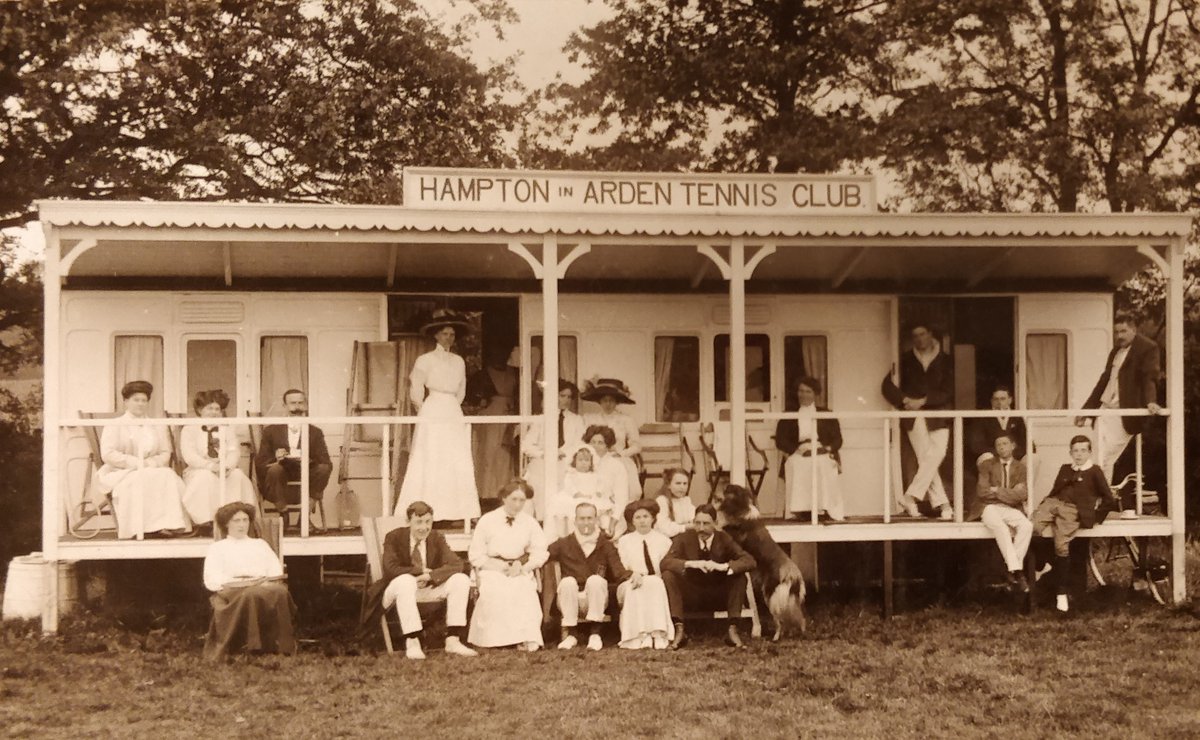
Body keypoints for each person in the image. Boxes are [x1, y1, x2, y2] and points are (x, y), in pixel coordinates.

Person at [394, 309, 480, 523]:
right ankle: (425, 511)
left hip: (452, 409)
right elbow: (416, 388)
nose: (448, 338)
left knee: (454, 459)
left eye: (451, 334)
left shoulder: (459, 361)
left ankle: (457, 512)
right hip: (432, 408)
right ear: (435, 335)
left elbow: (462, 389)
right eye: (444, 334)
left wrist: (451, 405)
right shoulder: (425, 359)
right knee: (431, 457)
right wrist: (425, 408)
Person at [1077, 314, 1161, 519]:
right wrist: (1086, 411)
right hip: (1106, 410)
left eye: (1123, 331)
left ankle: (1100, 501)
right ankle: (1099, 501)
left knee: (1104, 456)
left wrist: (1151, 401)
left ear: (1133, 329)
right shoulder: (1116, 350)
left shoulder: (1147, 348)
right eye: (1116, 332)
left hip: (1124, 414)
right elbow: (1104, 381)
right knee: (1098, 455)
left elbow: (1150, 376)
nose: (1119, 336)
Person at [379, 500, 477, 660]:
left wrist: (430, 576)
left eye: (428, 522)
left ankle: (453, 639)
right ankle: (412, 641)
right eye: (418, 522)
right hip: (397, 591)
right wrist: (419, 572)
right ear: (408, 521)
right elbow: (390, 568)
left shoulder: (435, 537)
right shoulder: (394, 537)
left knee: (460, 579)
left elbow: (457, 564)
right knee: (406, 581)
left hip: (426, 589)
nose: (423, 527)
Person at [1032, 435, 1116, 613]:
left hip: (1072, 510)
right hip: (1053, 503)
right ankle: (1043, 565)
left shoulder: (1095, 471)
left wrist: (1094, 517)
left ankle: (1061, 593)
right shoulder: (1065, 469)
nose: (1079, 454)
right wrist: (1045, 505)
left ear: (1089, 452)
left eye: (1083, 450)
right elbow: (1055, 490)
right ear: (1070, 452)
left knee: (1061, 545)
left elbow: (1109, 499)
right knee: (1032, 528)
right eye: (1075, 451)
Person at [97, 380, 190, 539]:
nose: (140, 404)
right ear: (126, 401)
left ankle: (167, 524)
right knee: (141, 478)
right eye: (136, 400)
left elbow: (164, 452)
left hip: (152, 468)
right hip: (122, 471)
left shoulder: (156, 425)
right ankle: (141, 527)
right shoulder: (115, 425)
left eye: (144, 400)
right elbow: (108, 453)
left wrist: (150, 463)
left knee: (167, 476)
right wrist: (137, 463)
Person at [202, 502, 295, 661]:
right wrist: (237, 584)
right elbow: (212, 578)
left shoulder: (259, 545)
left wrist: (264, 581)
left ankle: (283, 645)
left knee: (280, 591)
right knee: (251, 594)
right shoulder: (218, 548)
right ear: (226, 524)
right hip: (232, 589)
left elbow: (275, 570)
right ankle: (253, 645)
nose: (242, 525)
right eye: (236, 521)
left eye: (245, 520)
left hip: (261, 584)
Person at [882, 322, 955, 520]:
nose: (919, 339)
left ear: (930, 334)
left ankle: (910, 496)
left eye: (922, 334)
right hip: (915, 418)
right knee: (926, 459)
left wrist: (923, 401)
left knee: (936, 455)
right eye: (915, 335)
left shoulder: (946, 360)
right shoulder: (904, 360)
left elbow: (949, 391)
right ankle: (944, 504)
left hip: (939, 415)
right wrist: (905, 400)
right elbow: (887, 385)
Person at [467, 479, 548, 651]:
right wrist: (497, 566)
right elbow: (476, 553)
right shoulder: (487, 520)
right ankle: (495, 639)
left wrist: (524, 566)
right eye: (514, 499)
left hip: (519, 568)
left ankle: (527, 638)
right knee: (496, 589)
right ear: (504, 498)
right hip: (492, 567)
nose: (518, 505)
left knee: (524, 588)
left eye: (522, 500)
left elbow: (540, 550)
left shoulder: (529, 522)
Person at [661, 503, 756, 649]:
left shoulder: (724, 538)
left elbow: (749, 560)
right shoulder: (684, 538)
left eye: (706, 523)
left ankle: (732, 630)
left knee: (739, 576)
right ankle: (679, 630)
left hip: (718, 596)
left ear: (716, 524)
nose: (701, 528)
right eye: (697, 523)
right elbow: (665, 562)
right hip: (691, 597)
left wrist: (723, 566)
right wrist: (691, 564)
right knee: (668, 575)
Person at [547, 502, 629, 651]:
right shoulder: (563, 543)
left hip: (596, 599)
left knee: (596, 580)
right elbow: (542, 555)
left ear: (596, 520)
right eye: (582, 518)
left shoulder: (605, 545)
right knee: (567, 582)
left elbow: (618, 571)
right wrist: (518, 562)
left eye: (590, 518)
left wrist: (633, 576)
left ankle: (595, 634)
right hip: (569, 599)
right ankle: (571, 634)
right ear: (575, 521)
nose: (586, 522)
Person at [181, 389, 258, 531]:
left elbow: (234, 451)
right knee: (205, 477)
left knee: (237, 476)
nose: (214, 412)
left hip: (225, 469)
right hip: (199, 469)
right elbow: (189, 455)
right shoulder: (189, 429)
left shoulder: (226, 429)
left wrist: (227, 466)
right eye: (209, 408)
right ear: (200, 410)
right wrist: (210, 466)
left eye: (217, 409)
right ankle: (206, 521)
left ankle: (234, 519)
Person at [254, 389, 333, 522]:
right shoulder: (271, 431)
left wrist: (309, 459)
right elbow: (261, 462)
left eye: (300, 403)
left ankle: (304, 516)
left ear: (306, 405)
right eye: (292, 403)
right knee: (275, 469)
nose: (297, 407)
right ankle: (283, 513)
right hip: (280, 478)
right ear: (284, 406)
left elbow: (325, 460)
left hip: (307, 476)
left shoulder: (315, 432)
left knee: (324, 468)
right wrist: (276, 458)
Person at [774, 375, 845, 521]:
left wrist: (829, 448)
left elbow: (838, 439)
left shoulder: (826, 414)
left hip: (821, 450)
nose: (803, 395)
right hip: (799, 451)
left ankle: (824, 508)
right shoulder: (790, 414)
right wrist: (795, 449)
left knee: (823, 464)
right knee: (798, 464)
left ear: (815, 394)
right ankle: (800, 510)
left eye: (808, 391)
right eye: (801, 391)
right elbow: (780, 440)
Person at [970, 433, 1032, 594]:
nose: (1001, 447)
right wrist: (1009, 493)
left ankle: (1010, 569)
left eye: (1005, 444)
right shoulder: (987, 465)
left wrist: (997, 490)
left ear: (1013, 446)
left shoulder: (1021, 467)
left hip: (1010, 508)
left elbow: (1022, 495)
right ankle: (1017, 571)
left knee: (1026, 526)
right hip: (988, 507)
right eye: (998, 445)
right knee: (1001, 528)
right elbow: (982, 492)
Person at [521, 379, 586, 519]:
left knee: (566, 487)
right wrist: (544, 454)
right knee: (538, 485)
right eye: (562, 396)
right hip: (543, 462)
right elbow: (526, 445)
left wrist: (565, 453)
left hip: (566, 462)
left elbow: (580, 445)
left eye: (569, 397)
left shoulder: (577, 420)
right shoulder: (542, 419)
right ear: (554, 396)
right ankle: (542, 520)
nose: (566, 400)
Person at [615, 499, 675, 649]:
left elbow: (667, 565)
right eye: (638, 517)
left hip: (657, 583)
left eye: (646, 516)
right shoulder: (624, 541)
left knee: (653, 582)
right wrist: (632, 574)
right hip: (630, 581)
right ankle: (640, 635)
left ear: (653, 518)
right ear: (632, 521)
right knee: (638, 586)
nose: (642, 521)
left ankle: (658, 633)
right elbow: (620, 567)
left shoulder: (664, 541)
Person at [468, 345, 520, 504]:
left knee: (505, 456)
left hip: (508, 416)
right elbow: (474, 397)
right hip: (490, 418)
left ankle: (503, 491)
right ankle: (486, 493)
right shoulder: (483, 374)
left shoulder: (515, 373)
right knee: (488, 455)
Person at [582, 378, 643, 498]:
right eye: (604, 400)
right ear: (599, 402)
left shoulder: (626, 420)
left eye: (611, 400)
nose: (608, 404)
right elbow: (585, 441)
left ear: (617, 402)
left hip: (618, 458)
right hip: (596, 459)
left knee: (623, 489)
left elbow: (637, 446)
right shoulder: (591, 419)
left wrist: (621, 453)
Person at [547, 444, 607, 538]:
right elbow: (570, 487)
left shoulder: (594, 475)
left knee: (600, 507)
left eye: (587, 460)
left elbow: (600, 486)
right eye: (580, 460)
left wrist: (598, 493)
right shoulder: (572, 475)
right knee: (569, 507)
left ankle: (598, 531)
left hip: (591, 497)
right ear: (574, 461)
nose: (583, 463)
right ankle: (569, 533)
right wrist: (579, 494)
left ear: (591, 462)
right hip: (575, 498)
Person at [584, 424, 630, 536]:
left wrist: (613, 523)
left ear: (607, 445)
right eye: (592, 442)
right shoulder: (581, 463)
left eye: (600, 443)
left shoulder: (616, 466)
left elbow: (621, 498)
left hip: (609, 514)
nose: (595, 446)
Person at [653, 468, 695, 537]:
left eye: (685, 484)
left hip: (684, 537)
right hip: (667, 539)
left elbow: (694, 518)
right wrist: (686, 526)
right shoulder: (662, 500)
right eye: (678, 483)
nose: (682, 487)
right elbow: (664, 528)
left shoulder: (686, 500)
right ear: (668, 485)